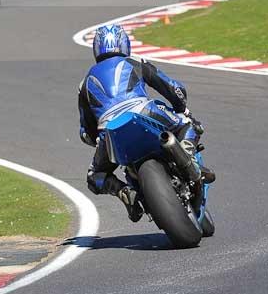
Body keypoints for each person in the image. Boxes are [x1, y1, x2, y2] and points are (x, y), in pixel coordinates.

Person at [78, 23, 214, 222]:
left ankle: (124, 191)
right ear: (124, 44)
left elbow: (86, 131)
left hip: (109, 130)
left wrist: (97, 141)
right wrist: (180, 105)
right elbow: (171, 87)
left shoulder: (84, 84)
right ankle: (190, 162)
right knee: (188, 123)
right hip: (144, 111)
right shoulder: (135, 62)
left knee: (94, 177)